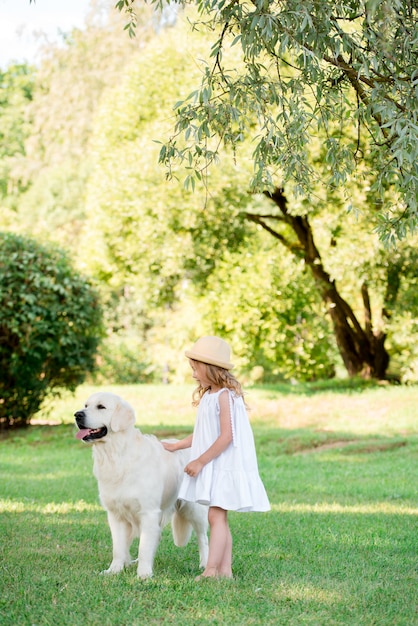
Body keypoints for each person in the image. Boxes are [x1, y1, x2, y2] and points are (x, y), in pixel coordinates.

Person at [163, 336, 270, 580]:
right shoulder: (210, 396)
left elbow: (226, 436)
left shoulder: (225, 396)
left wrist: (199, 461)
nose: (193, 375)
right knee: (218, 517)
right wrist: (177, 446)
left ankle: (211, 570)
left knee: (216, 516)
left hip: (224, 466)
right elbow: (203, 433)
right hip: (217, 465)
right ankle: (225, 571)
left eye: (196, 369)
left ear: (211, 368)